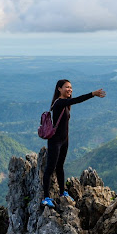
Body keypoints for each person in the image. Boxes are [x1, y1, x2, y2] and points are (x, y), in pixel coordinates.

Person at [41, 79, 106, 208]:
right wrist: (92, 94)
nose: (70, 89)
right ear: (59, 89)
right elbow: (76, 100)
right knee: (50, 168)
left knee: (60, 167)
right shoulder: (59, 103)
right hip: (55, 141)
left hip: (64, 140)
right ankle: (46, 197)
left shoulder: (65, 104)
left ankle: (62, 192)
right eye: (67, 87)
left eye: (71, 87)